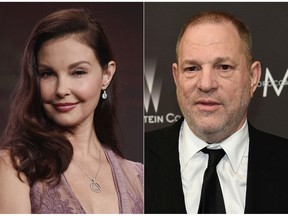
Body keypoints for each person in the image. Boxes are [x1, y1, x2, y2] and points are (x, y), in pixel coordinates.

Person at [0, 8, 143, 214]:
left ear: (106, 75)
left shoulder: (138, 178)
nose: (61, 90)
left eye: (77, 72)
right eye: (47, 74)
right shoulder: (14, 166)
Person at [145, 10, 288, 214]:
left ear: (253, 77)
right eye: (192, 68)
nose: (206, 84)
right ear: (177, 78)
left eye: (223, 67)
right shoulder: (137, 164)